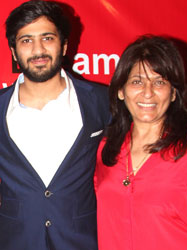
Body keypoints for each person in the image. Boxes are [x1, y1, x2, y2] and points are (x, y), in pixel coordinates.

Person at [0, 1, 110, 249]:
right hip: (15, 241)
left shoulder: (101, 102)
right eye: (26, 40)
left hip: (82, 240)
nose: (38, 50)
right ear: (14, 51)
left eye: (47, 38)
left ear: (64, 45)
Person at [95, 35, 187, 250]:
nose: (148, 92)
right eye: (137, 81)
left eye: (159, 82)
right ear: (121, 91)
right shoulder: (106, 149)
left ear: (173, 93)